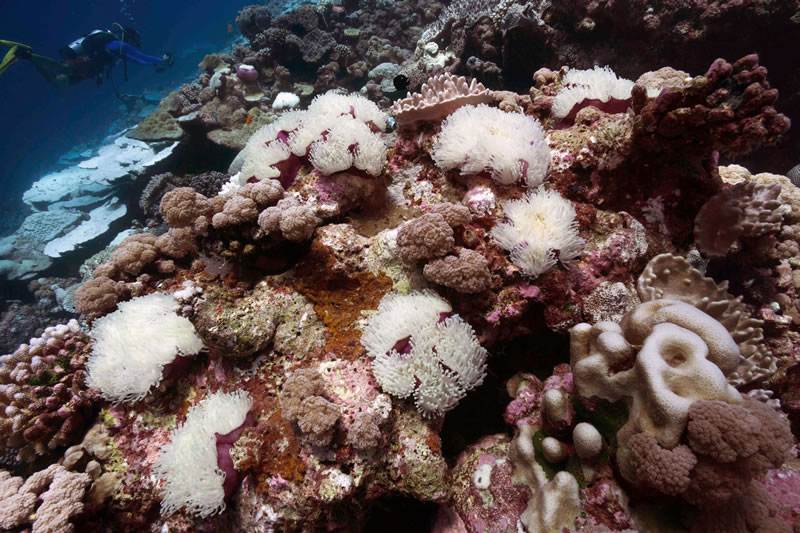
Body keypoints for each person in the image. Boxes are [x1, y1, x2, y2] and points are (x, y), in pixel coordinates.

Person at [0, 25, 173, 88]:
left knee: (57, 83)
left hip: (91, 69)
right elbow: (140, 58)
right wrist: (161, 61)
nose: (134, 44)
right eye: (134, 41)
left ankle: (30, 56)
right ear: (128, 37)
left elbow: (136, 59)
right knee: (63, 69)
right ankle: (27, 55)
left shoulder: (118, 48)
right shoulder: (119, 45)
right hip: (88, 64)